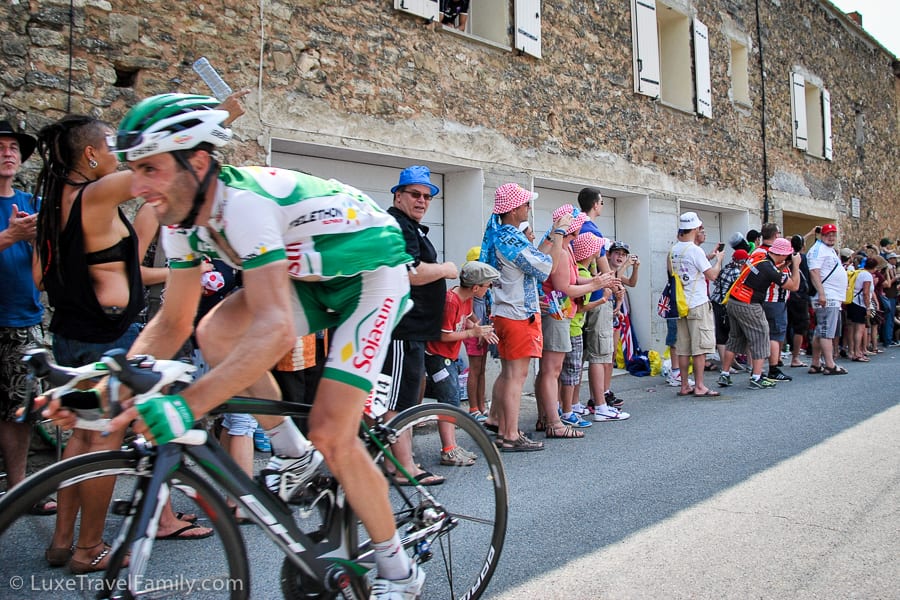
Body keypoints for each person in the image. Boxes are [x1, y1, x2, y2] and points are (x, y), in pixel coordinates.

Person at [42, 94, 423, 595]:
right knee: (214, 332)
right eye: (134, 170)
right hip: (310, 275)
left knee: (333, 431)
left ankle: (399, 571)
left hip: (370, 277)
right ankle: (295, 454)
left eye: (151, 169)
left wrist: (188, 406)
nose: (137, 187)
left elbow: (274, 329)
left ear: (198, 163)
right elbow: (172, 323)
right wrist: (105, 384)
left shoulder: (242, 205)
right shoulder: (181, 223)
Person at [33, 114, 213, 574]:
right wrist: (214, 123)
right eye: (110, 146)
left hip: (72, 332)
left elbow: (40, 276)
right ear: (90, 154)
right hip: (107, 337)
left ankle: (62, 542)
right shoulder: (94, 195)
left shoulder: (55, 200)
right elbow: (151, 171)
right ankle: (89, 547)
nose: (119, 155)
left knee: (80, 439)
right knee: (103, 443)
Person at [380, 165, 458, 486]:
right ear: (398, 196)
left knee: (402, 399)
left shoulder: (408, 226)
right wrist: (445, 269)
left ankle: (396, 463)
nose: (422, 201)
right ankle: (404, 467)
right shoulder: (400, 226)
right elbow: (410, 272)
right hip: (403, 329)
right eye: (415, 194)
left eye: (427, 196)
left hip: (411, 331)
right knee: (400, 402)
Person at [480, 183, 569, 452]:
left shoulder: (500, 235)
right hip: (518, 315)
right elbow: (547, 267)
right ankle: (510, 434)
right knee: (516, 377)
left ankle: (501, 426)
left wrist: (552, 235)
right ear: (514, 209)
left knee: (508, 374)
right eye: (526, 204)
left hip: (505, 313)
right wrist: (559, 233)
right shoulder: (511, 238)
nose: (529, 208)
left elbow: (537, 259)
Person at [0, 120, 53, 514]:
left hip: (23, 320)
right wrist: (9, 237)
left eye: (13, 148)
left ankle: (18, 489)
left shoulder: (33, 204)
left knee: (21, 410)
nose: (8, 153)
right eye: (0, 147)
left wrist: (36, 241)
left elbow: (46, 273)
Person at [424, 260, 499, 465]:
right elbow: (443, 335)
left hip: (449, 356)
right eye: (487, 285)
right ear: (475, 287)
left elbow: (467, 316)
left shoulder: (466, 298)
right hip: (438, 357)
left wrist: (478, 327)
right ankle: (448, 450)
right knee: (449, 401)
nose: (488, 289)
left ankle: (452, 447)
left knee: (452, 399)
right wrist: (473, 332)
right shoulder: (451, 301)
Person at [717, 237, 800, 389]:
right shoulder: (769, 268)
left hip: (734, 301)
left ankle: (725, 374)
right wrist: (796, 265)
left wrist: (784, 265)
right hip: (749, 304)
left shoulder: (758, 257)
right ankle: (757, 377)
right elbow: (794, 286)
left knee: (735, 338)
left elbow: (767, 273)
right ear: (783, 254)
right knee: (761, 337)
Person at [670, 212, 724, 397]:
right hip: (697, 302)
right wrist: (719, 260)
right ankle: (700, 385)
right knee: (700, 347)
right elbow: (713, 275)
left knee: (683, 348)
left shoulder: (673, 250)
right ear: (694, 228)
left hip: (681, 303)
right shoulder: (694, 250)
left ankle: (684, 385)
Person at [749, 223, 793, 382]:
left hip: (761, 298)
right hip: (773, 298)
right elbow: (780, 278)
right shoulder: (770, 254)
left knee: (762, 335)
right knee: (775, 334)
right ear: (776, 235)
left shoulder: (756, 252)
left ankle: (756, 369)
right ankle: (773, 368)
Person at [806, 223, 849, 375]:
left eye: (833, 235)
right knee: (826, 332)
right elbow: (814, 271)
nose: (831, 237)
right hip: (827, 296)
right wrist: (822, 293)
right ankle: (830, 365)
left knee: (821, 330)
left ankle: (816, 363)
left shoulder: (827, 249)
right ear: (821, 235)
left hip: (831, 296)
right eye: (827, 234)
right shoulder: (818, 250)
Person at [462, 246, 492, 422]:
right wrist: (478, 329)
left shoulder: (485, 290)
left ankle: (482, 406)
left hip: (484, 331)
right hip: (474, 332)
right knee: (474, 369)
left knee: (481, 369)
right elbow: (468, 314)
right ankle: (473, 408)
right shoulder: (470, 290)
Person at [785, 234, 812, 368]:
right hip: (800, 296)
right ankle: (795, 357)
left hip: (786, 295)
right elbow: (809, 276)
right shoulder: (803, 259)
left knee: (784, 326)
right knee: (800, 327)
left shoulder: (786, 258)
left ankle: (777, 357)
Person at [846, 258, 875, 361]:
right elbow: (866, 293)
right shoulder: (867, 275)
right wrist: (868, 307)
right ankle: (857, 353)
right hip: (860, 303)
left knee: (853, 328)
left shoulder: (858, 272)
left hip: (852, 301)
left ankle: (852, 351)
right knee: (860, 329)